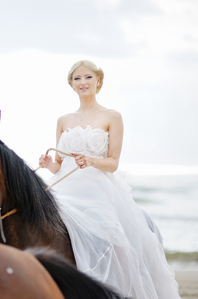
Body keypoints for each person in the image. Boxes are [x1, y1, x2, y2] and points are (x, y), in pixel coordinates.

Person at [38, 60, 179, 299]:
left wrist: (91, 161)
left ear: (98, 81)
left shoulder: (112, 116)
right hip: (65, 189)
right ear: (71, 85)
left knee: (108, 235)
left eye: (88, 77)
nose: (83, 82)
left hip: (97, 187)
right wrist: (48, 164)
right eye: (77, 79)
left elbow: (113, 163)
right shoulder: (63, 120)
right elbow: (59, 166)